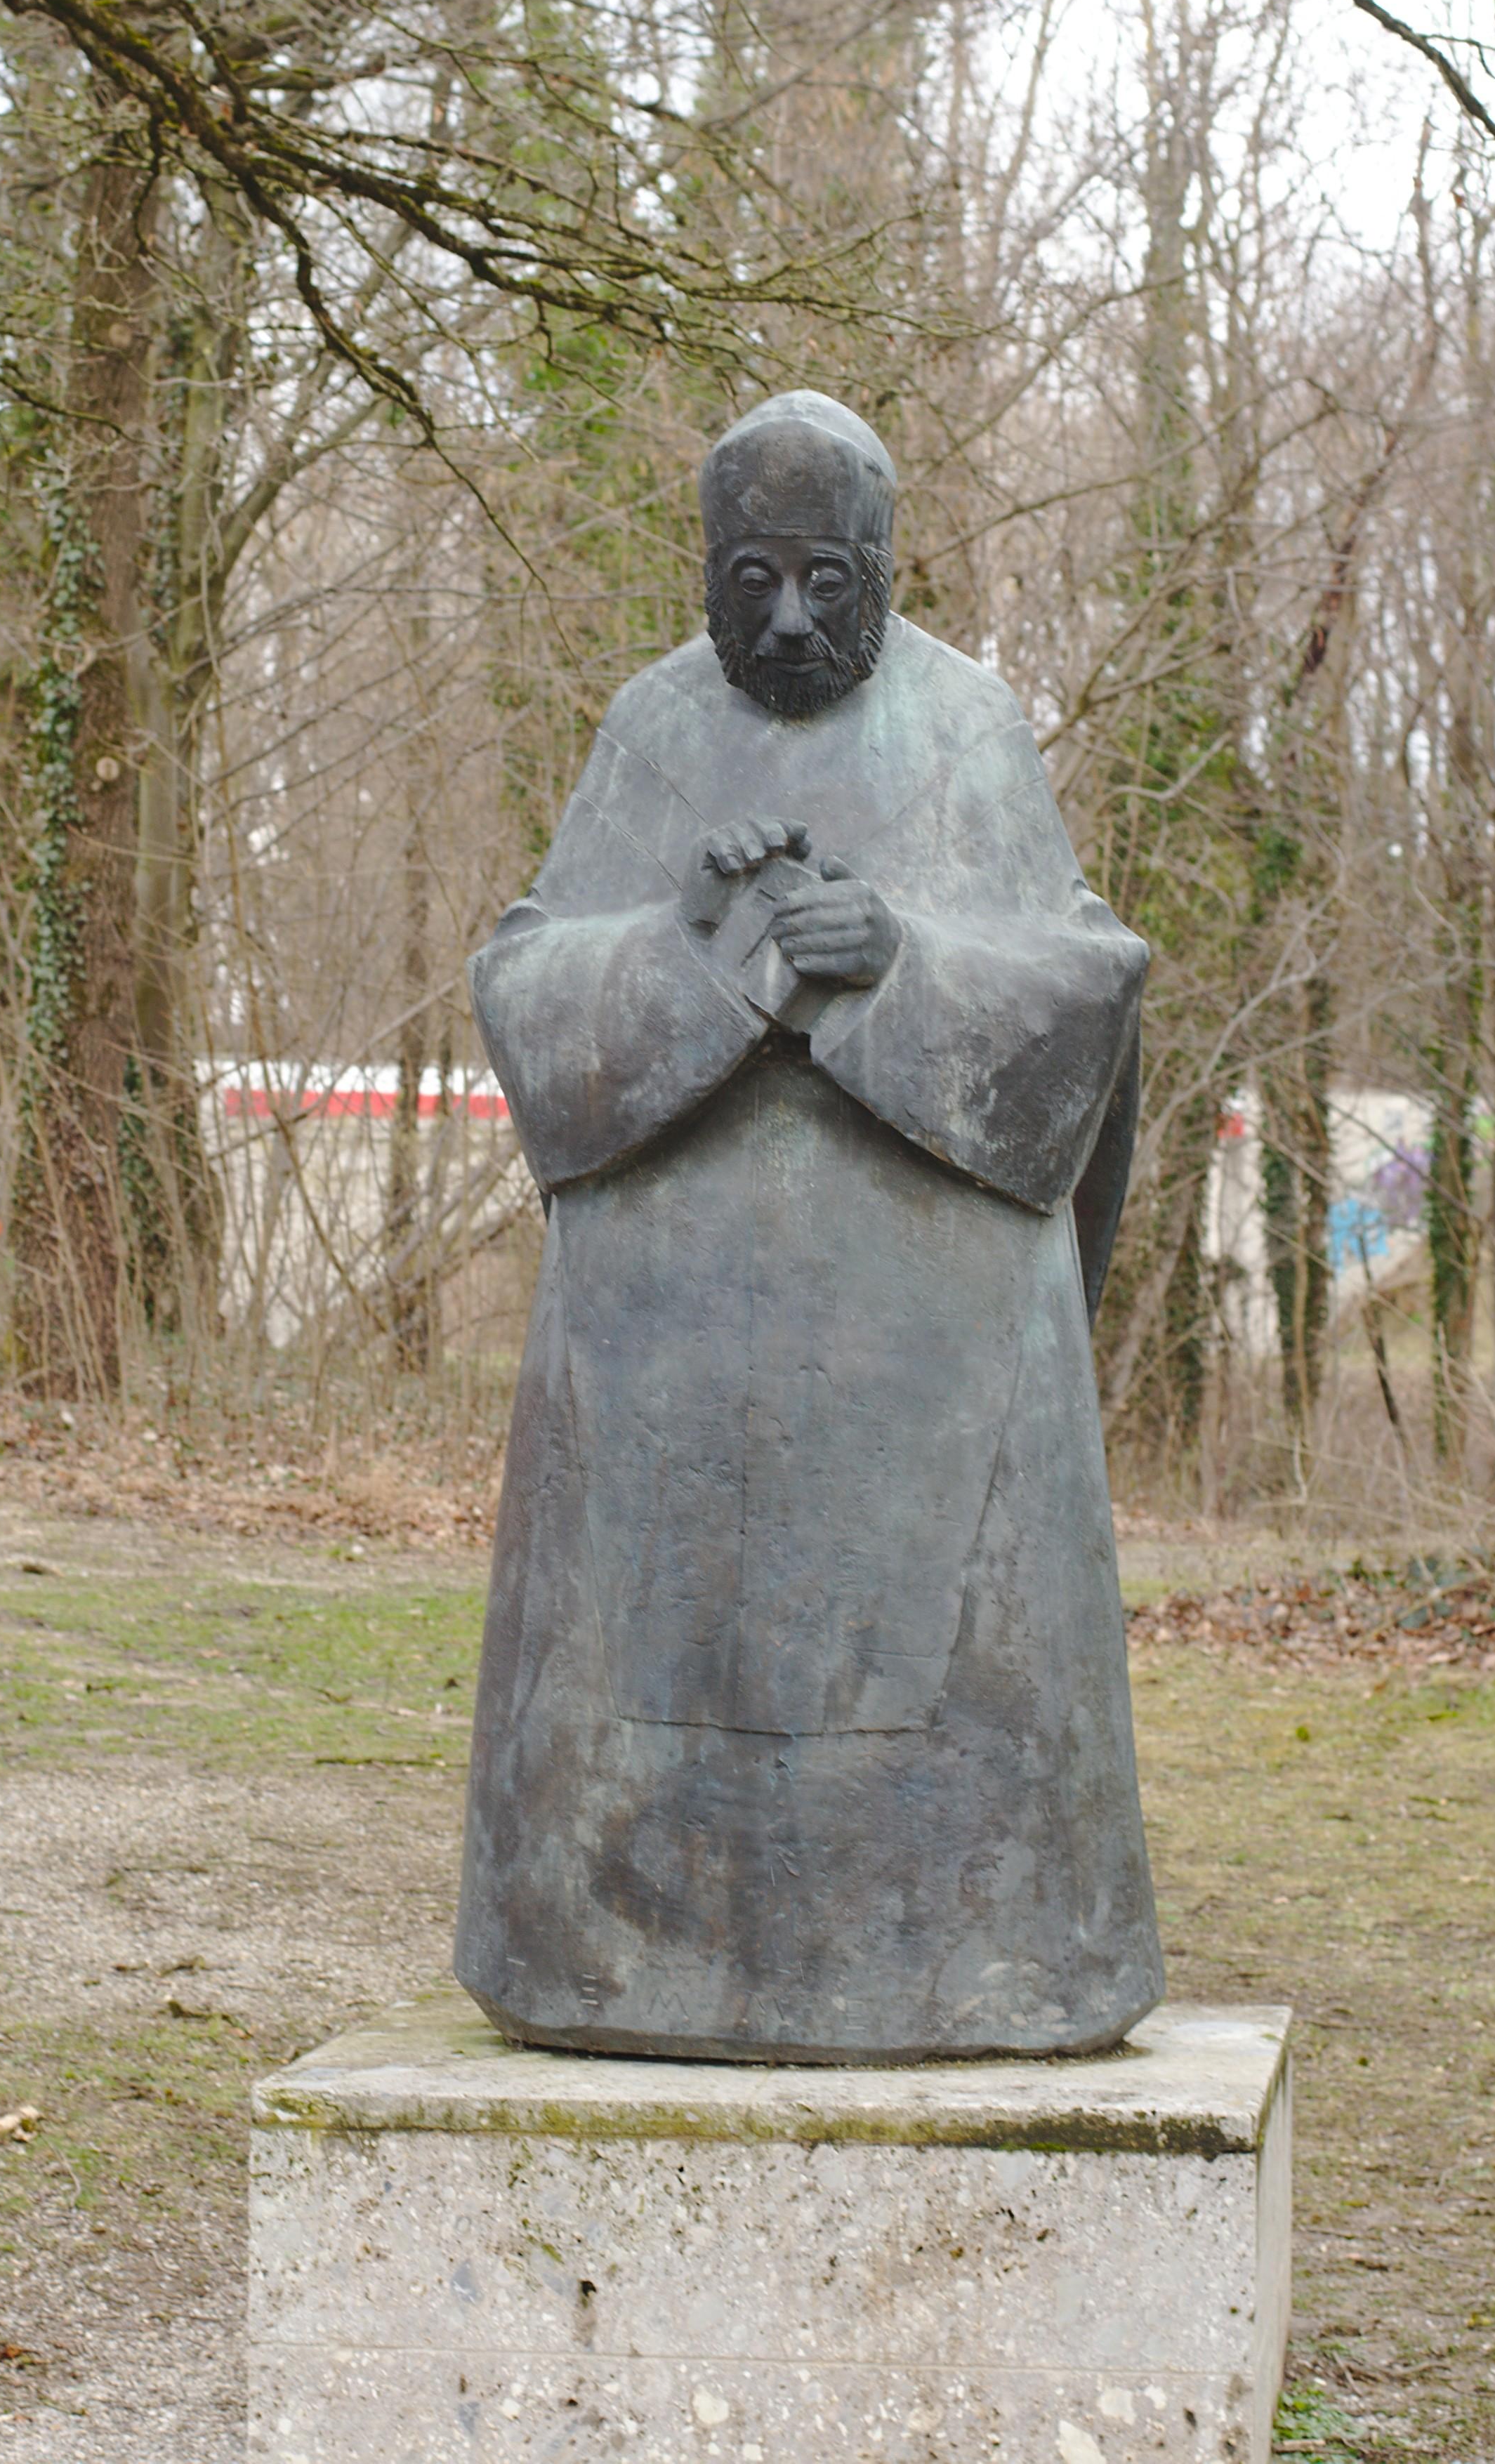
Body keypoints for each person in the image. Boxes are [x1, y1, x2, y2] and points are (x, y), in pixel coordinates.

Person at [457, 390, 1158, 2064]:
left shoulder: (969, 724)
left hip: (924, 1359)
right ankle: (609, 1966)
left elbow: (1080, 991)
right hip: (664, 1352)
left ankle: (977, 1961)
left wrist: (891, 954)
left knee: (941, 1677)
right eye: (750, 578)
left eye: (826, 583)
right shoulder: (646, 725)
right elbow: (530, 986)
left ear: (886, 569)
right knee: (642, 1658)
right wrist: (695, 943)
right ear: (706, 566)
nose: (785, 619)